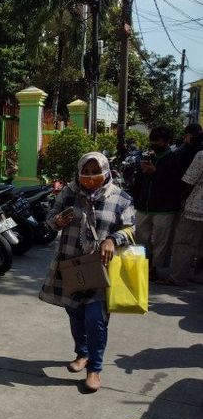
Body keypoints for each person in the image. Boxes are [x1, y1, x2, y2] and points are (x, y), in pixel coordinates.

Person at [40, 152, 135, 392]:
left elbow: (131, 228)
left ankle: (94, 369)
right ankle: (81, 353)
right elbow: (49, 220)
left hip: (102, 270)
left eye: (96, 171)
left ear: (106, 171)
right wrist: (57, 221)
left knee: (96, 320)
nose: (90, 177)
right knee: (75, 314)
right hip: (71, 267)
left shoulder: (120, 198)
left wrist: (113, 239)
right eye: (86, 171)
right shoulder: (68, 193)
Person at [131, 125, 183, 278]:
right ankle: (144, 263)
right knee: (141, 236)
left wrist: (155, 172)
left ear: (167, 142)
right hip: (144, 206)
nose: (154, 144)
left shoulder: (174, 159)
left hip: (165, 208)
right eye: (152, 141)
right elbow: (139, 182)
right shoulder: (148, 157)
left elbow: (175, 184)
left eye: (157, 141)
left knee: (162, 241)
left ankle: (156, 269)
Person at [160, 149, 203, 285]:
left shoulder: (201, 155)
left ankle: (177, 277)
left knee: (184, 243)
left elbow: (189, 181)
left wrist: (180, 200)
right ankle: (199, 275)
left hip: (196, 208)